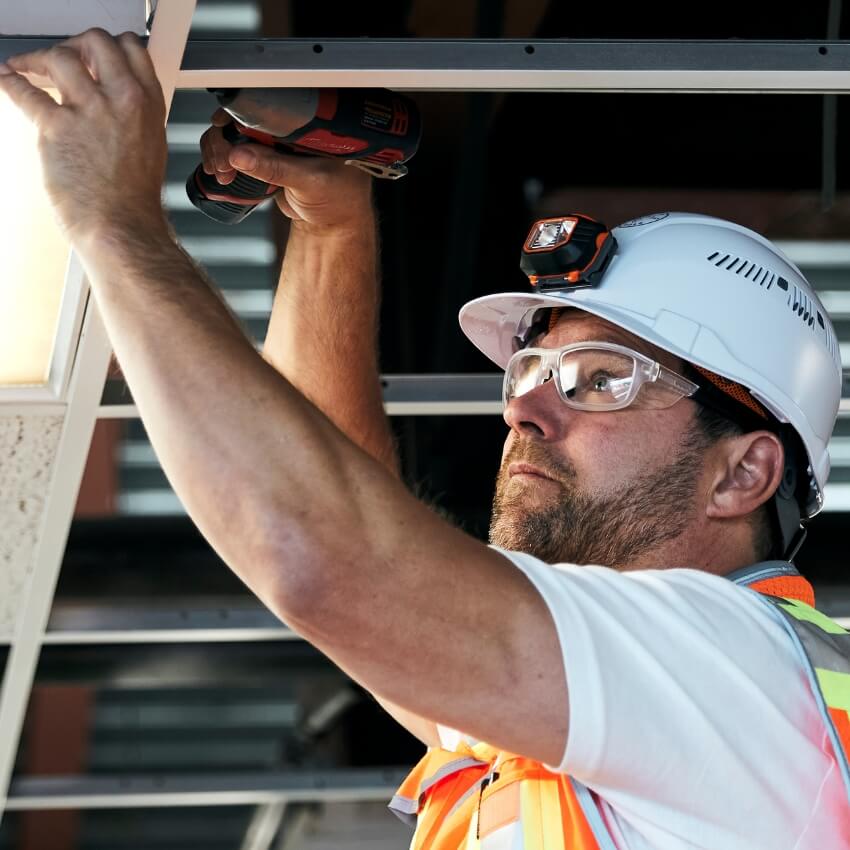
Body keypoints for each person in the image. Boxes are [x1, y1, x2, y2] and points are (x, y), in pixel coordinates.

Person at [3, 29, 850, 849]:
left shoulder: (739, 675)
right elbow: (352, 538)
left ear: (743, 474)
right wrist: (328, 228)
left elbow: (330, 558)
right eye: (526, 375)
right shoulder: (624, 714)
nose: (524, 414)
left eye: (601, 380)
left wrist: (114, 220)